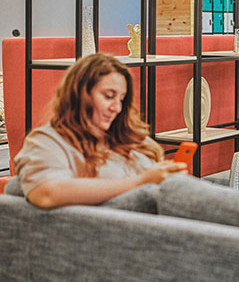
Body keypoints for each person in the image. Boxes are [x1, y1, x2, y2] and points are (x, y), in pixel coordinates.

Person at [15, 53, 186, 209]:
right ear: (80, 95)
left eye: (121, 99)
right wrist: (141, 181)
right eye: (108, 96)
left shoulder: (128, 136)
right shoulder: (47, 141)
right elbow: (47, 193)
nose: (117, 108)